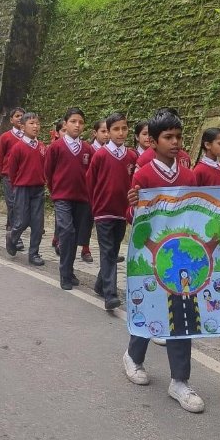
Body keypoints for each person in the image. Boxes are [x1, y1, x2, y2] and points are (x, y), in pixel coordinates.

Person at [122, 108, 204, 413]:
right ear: (153, 142)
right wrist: (132, 207)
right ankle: (133, 356)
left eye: (178, 137)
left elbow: (195, 211)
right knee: (150, 307)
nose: (175, 142)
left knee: (183, 312)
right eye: (168, 137)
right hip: (150, 254)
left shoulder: (189, 175)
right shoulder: (143, 173)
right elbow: (134, 217)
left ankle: (180, 381)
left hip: (181, 254)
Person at [87, 111, 138, 311]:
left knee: (114, 250)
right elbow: (90, 182)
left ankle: (101, 284)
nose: (120, 133)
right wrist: (96, 205)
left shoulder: (132, 156)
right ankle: (111, 294)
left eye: (124, 128)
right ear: (107, 132)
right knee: (107, 251)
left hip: (121, 211)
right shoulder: (100, 155)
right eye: (116, 129)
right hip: (103, 211)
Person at [45, 107, 94, 291]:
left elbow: (91, 173)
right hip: (62, 197)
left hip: (81, 198)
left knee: (74, 235)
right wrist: (55, 191)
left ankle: (70, 269)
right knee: (66, 231)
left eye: (81, 122)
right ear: (65, 124)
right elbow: (48, 172)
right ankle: (64, 272)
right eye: (73, 121)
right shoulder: (56, 147)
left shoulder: (87, 149)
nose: (77, 125)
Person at [4, 111, 47, 264]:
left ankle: (34, 253)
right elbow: (12, 170)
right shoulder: (18, 147)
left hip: (38, 188)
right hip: (22, 188)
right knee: (21, 219)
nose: (35, 126)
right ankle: (13, 236)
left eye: (37, 123)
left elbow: (45, 167)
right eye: (31, 123)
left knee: (37, 223)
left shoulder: (42, 147)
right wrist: (17, 184)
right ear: (22, 127)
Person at [0, 107, 26, 229]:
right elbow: (0, 155)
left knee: (20, 202)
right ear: (11, 119)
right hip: (8, 173)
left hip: (23, 174)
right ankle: (13, 226)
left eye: (22, 116)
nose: (19, 118)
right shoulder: (6, 137)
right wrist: (1, 171)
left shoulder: (28, 136)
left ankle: (13, 223)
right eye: (17, 116)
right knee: (11, 201)